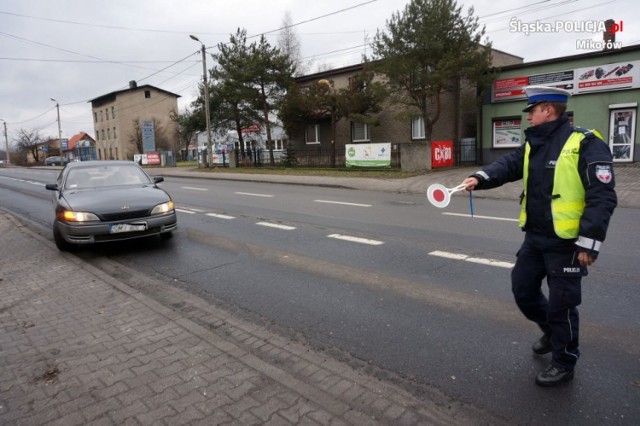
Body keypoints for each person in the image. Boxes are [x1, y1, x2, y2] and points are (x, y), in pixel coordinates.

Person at [462, 85, 617, 387]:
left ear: (547, 109)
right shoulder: (535, 143)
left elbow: (602, 195)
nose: (529, 116)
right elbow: (509, 164)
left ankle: (564, 361)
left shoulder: (585, 143)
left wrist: (590, 242)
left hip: (568, 243)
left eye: (532, 111)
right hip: (535, 238)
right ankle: (551, 331)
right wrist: (479, 178)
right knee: (523, 290)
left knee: (563, 305)